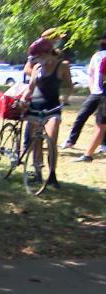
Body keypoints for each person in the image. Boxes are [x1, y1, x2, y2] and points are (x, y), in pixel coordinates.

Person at [21, 38, 73, 188]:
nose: (39, 59)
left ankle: (52, 175)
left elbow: (69, 86)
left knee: (52, 141)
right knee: (36, 141)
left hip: (53, 108)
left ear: (48, 52)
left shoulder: (62, 66)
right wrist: (24, 99)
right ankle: (38, 173)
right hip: (35, 107)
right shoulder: (37, 67)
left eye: (40, 56)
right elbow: (30, 88)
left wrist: (66, 97)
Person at [63, 31, 106, 151]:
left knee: (102, 120)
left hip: (104, 92)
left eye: (103, 39)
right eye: (101, 39)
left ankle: (103, 144)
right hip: (96, 92)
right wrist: (92, 88)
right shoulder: (97, 56)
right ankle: (71, 140)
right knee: (82, 115)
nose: (102, 42)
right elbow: (91, 73)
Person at [74, 33, 106, 162]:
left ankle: (87, 155)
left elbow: (101, 79)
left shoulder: (102, 58)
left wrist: (99, 89)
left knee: (100, 126)